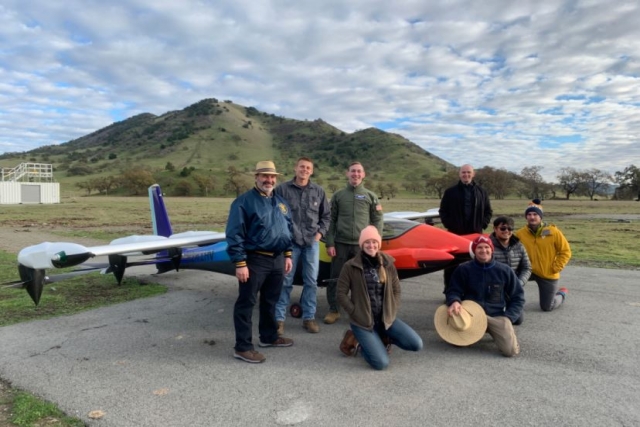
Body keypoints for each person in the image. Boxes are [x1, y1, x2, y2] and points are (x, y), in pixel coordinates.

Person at [225, 160, 295, 364]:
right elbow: (234, 233)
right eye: (264, 176)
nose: (269, 179)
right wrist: (240, 263)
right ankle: (243, 347)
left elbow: (287, 229)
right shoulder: (243, 202)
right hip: (254, 259)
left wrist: (288, 254)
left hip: (277, 259)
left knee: (270, 301)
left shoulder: (280, 201)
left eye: (272, 176)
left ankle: (269, 337)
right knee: (246, 303)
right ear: (256, 177)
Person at [337, 226, 423, 370]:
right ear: (362, 245)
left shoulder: (388, 263)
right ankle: (358, 341)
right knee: (381, 363)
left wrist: (392, 310)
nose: (371, 245)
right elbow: (341, 293)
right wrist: (354, 312)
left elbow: (396, 290)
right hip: (363, 322)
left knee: (416, 344)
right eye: (367, 242)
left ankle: (382, 337)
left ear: (379, 243)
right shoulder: (350, 266)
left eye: (374, 242)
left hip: (386, 319)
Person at [274, 157, 330, 335]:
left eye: (308, 168)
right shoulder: (282, 189)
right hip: (290, 243)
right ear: (295, 168)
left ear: (311, 171)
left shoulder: (318, 191)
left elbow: (326, 216)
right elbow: (273, 213)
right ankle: (279, 320)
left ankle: (309, 318)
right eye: (302, 167)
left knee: (311, 282)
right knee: (286, 281)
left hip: (311, 243)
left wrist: (320, 234)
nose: (304, 170)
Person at [442, 235, 524, 357]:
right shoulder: (463, 269)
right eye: (479, 247)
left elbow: (518, 297)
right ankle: (476, 332)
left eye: (487, 247)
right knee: (457, 344)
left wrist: (509, 317)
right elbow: (453, 290)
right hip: (470, 316)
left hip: (496, 316)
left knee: (510, 351)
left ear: (492, 249)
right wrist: (454, 301)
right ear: (474, 250)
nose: (483, 250)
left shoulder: (505, 271)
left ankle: (503, 331)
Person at [324, 162, 383, 325]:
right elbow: (331, 220)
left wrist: (376, 240)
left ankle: (360, 310)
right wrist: (330, 242)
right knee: (335, 278)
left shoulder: (370, 196)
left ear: (363, 175)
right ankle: (334, 310)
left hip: (362, 246)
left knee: (362, 279)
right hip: (340, 244)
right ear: (347, 174)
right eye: (352, 171)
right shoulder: (338, 195)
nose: (355, 174)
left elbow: (377, 219)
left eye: (359, 171)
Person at [438, 164, 493, 290]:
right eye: (463, 172)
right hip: (455, 234)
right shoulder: (450, 192)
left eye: (468, 172)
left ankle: (472, 291)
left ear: (473, 174)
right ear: (459, 174)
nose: (466, 175)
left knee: (475, 262)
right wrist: (450, 225)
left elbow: (488, 211)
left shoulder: (481, 192)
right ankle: (450, 290)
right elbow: (443, 211)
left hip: (475, 234)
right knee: (452, 264)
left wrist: (482, 225)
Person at [515, 200, 571, 312]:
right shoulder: (520, 234)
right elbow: (512, 251)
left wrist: (555, 268)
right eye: (529, 214)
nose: (532, 217)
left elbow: (565, 251)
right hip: (528, 271)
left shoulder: (553, 232)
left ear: (540, 217)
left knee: (547, 307)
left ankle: (561, 293)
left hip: (547, 273)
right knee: (510, 281)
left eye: (535, 214)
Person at [489, 216, 531, 325]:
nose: (507, 231)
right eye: (503, 228)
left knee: (517, 320)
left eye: (510, 228)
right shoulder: (487, 246)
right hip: (494, 288)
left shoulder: (519, 246)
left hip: (513, 288)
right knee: (491, 318)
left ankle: (561, 294)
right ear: (495, 229)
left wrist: (519, 283)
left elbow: (527, 268)